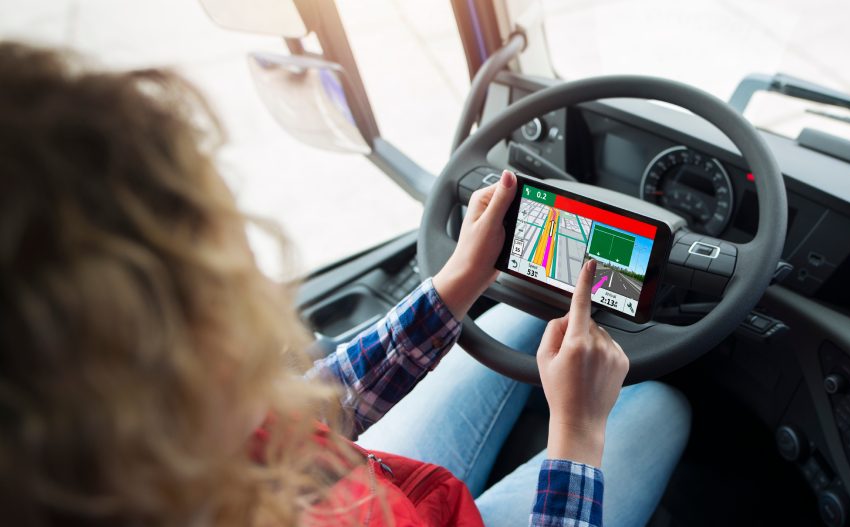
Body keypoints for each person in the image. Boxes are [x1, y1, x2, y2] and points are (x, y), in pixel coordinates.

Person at [0, 42, 690, 526]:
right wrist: (576, 431)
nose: (270, 313)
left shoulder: (157, 456)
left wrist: (455, 282)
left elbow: (299, 416)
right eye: (231, 295)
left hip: (395, 492)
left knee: (513, 320)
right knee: (661, 404)